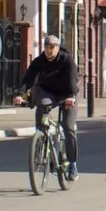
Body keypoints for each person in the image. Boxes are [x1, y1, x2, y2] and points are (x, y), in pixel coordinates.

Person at [16, 35, 79, 179]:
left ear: (58, 48)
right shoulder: (40, 61)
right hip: (49, 92)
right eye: (46, 47)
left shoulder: (66, 60)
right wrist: (20, 94)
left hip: (67, 94)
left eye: (52, 48)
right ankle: (41, 146)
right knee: (41, 109)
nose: (49, 51)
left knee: (68, 125)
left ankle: (72, 163)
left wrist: (71, 96)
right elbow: (29, 77)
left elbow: (72, 79)